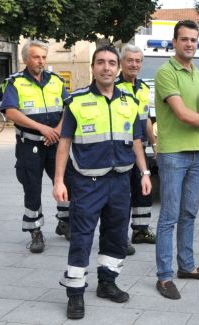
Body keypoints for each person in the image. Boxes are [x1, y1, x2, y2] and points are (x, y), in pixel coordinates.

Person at [52, 45, 152, 320]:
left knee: (117, 236)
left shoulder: (129, 103)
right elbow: (64, 143)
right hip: (87, 183)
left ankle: (107, 283)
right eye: (101, 62)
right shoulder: (76, 100)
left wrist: (144, 174)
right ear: (93, 67)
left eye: (111, 63)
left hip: (121, 181)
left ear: (117, 67)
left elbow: (136, 142)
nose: (106, 67)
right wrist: (59, 180)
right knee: (82, 238)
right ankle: (75, 293)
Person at [154, 20, 199, 300]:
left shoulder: (197, 74)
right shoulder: (165, 73)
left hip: (195, 151)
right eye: (184, 39)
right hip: (173, 152)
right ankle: (164, 277)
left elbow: (198, 113)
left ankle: (186, 266)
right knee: (169, 217)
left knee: (189, 214)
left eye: (193, 40)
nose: (189, 44)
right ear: (174, 42)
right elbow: (183, 114)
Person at [0, 40, 70, 253]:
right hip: (29, 145)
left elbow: (69, 106)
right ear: (25, 59)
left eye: (43, 57)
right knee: (32, 188)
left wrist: (57, 129)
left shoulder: (56, 81)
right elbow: (10, 111)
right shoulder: (15, 82)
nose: (40, 61)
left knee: (66, 183)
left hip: (55, 142)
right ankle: (35, 231)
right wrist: (42, 128)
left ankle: (65, 222)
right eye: (36, 57)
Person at [116, 45, 157, 255]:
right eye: (130, 60)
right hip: (120, 150)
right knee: (123, 195)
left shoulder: (143, 88)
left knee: (143, 189)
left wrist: (155, 143)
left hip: (142, 148)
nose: (134, 64)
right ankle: (119, 237)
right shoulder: (111, 86)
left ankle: (140, 230)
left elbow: (147, 119)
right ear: (122, 62)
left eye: (138, 61)